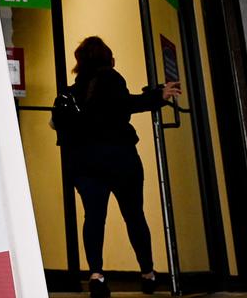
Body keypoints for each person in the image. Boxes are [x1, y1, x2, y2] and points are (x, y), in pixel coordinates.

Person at [52, 36, 181, 298]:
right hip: (121, 159)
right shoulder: (112, 78)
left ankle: (97, 276)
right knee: (134, 215)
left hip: (85, 163)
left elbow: (57, 124)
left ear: (79, 62)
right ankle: (147, 273)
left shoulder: (70, 91)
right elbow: (127, 103)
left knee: (94, 218)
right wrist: (159, 96)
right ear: (108, 59)